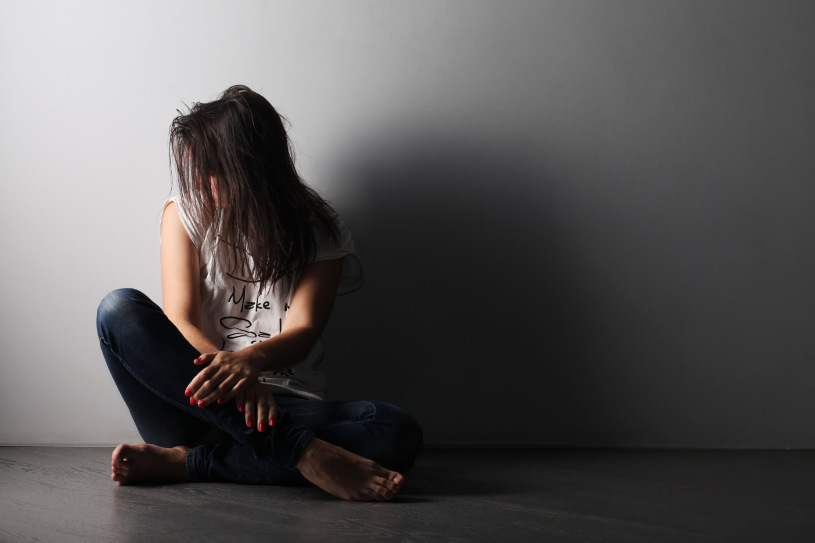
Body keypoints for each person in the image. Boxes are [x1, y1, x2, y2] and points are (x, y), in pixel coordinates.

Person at [96, 85, 422, 501]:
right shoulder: (185, 212)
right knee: (118, 308)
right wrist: (235, 379)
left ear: (252, 167)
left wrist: (250, 362)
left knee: (395, 430)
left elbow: (304, 331)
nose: (199, 184)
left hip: (284, 403)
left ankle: (188, 462)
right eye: (194, 172)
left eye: (211, 172)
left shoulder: (320, 229)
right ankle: (302, 453)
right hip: (194, 400)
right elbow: (180, 319)